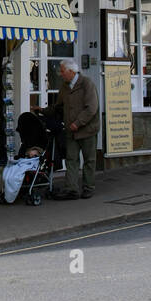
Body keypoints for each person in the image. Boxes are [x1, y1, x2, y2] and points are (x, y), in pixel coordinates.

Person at [53, 58, 100, 200]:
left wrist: (78, 123)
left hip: (87, 130)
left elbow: (91, 108)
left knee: (89, 160)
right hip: (71, 131)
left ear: (71, 72)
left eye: (62, 71)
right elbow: (59, 107)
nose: (60, 74)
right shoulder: (65, 86)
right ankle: (71, 189)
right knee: (71, 160)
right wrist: (42, 110)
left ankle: (88, 187)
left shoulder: (87, 84)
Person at [0, 112, 47, 204]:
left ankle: (10, 195)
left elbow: (37, 152)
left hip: (33, 162)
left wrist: (34, 152)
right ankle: (8, 193)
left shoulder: (40, 142)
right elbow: (20, 155)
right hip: (23, 161)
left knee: (15, 174)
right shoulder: (26, 143)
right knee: (9, 171)